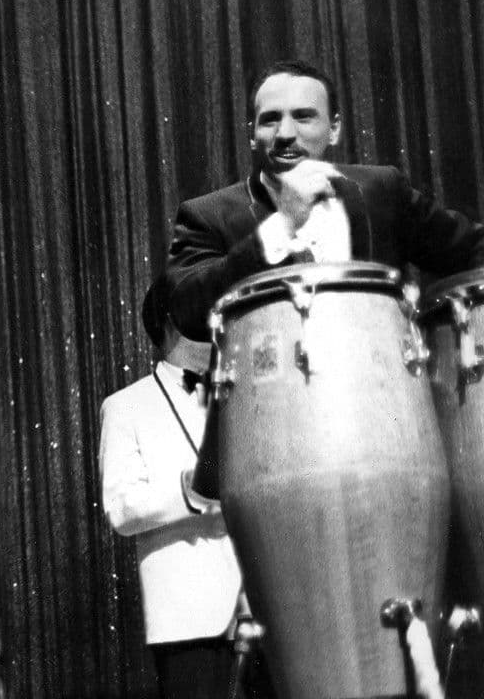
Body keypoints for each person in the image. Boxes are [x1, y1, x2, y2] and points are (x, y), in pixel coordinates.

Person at [165, 59, 484, 339]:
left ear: (334, 129)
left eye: (304, 117)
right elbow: (187, 311)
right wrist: (283, 225)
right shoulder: (208, 215)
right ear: (252, 135)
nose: (285, 133)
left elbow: (471, 249)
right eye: (270, 119)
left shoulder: (382, 190)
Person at [100, 278, 273, 699]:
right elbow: (120, 508)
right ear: (170, 324)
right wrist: (189, 491)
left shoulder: (247, 392)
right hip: (190, 623)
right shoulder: (124, 406)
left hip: (267, 608)